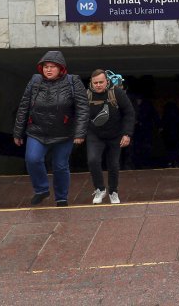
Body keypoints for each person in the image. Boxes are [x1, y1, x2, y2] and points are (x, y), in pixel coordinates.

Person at [13, 51, 89, 207]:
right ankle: (41, 189)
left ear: (61, 68)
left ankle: (61, 197)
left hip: (64, 133)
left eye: (52, 67)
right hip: (37, 131)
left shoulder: (73, 82)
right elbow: (23, 107)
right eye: (46, 66)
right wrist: (18, 132)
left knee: (60, 166)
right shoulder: (35, 81)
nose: (48, 70)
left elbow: (83, 109)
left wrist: (80, 133)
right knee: (32, 159)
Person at [87, 69, 135, 204]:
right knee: (93, 160)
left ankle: (113, 191)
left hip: (115, 134)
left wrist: (127, 133)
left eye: (101, 82)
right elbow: (81, 115)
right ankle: (100, 189)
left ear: (107, 81)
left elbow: (129, 113)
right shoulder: (87, 95)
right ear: (91, 82)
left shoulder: (117, 93)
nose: (98, 85)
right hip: (95, 134)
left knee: (113, 164)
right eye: (95, 82)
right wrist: (80, 134)